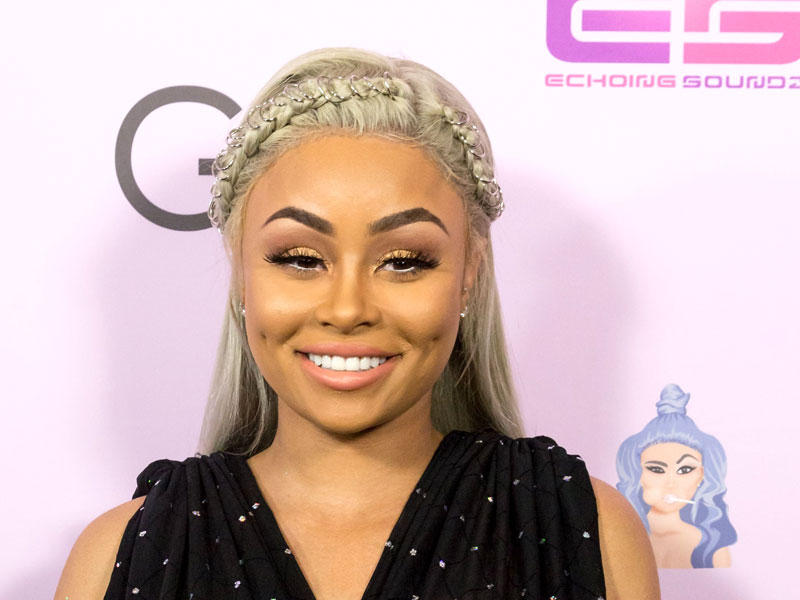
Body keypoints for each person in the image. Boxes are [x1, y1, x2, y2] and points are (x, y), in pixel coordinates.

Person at [56, 47, 659, 599]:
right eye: (300, 259)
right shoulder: (119, 553)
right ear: (241, 272)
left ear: (469, 273)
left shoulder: (583, 528)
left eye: (405, 261)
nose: (347, 310)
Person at [616, 384, 737, 568]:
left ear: (702, 476)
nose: (670, 483)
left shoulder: (713, 552)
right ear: (637, 474)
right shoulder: (619, 541)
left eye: (685, 470)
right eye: (656, 469)